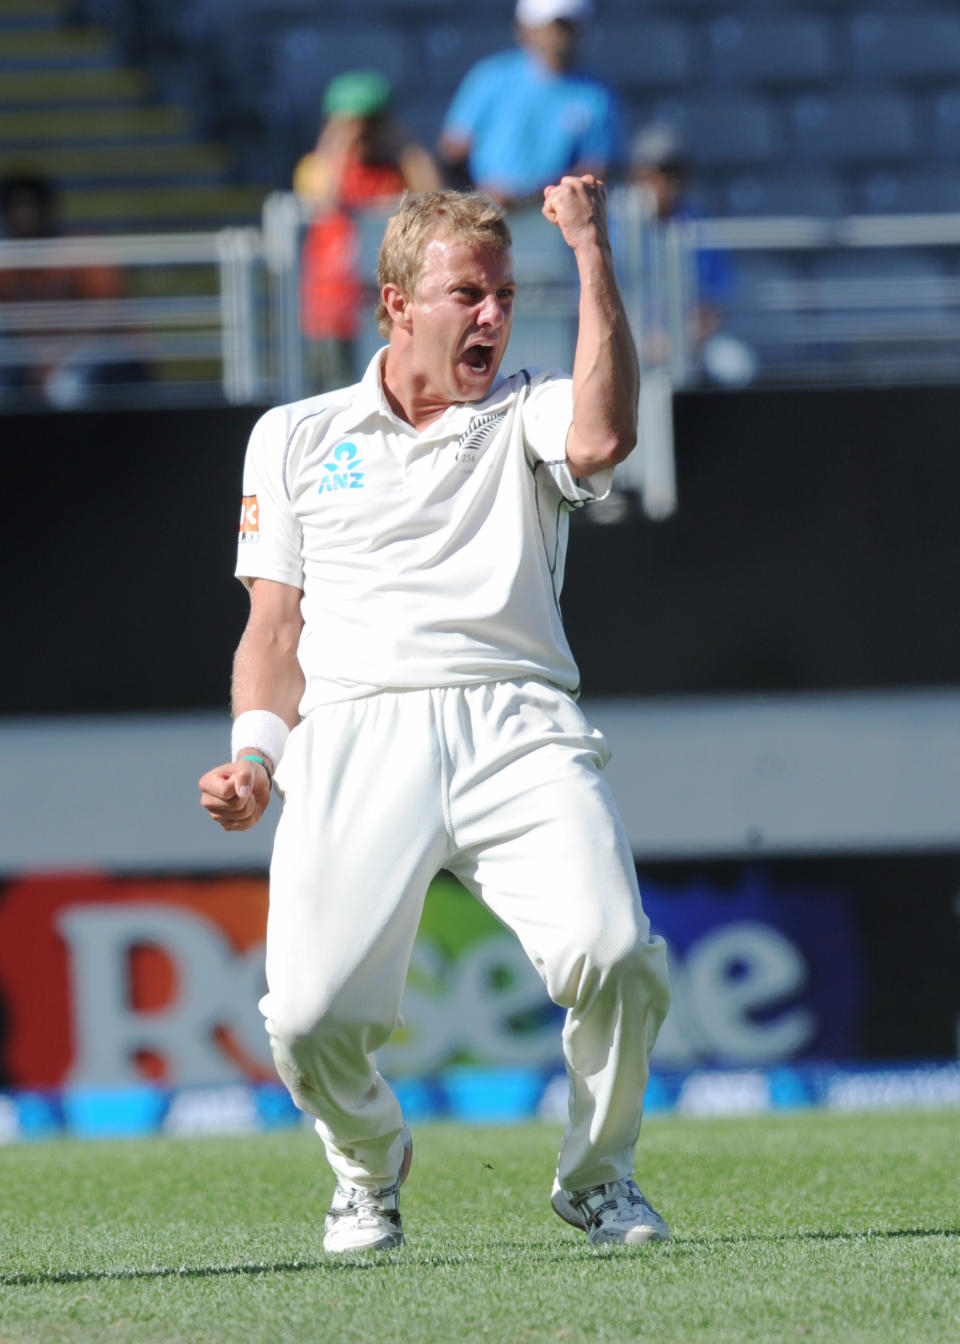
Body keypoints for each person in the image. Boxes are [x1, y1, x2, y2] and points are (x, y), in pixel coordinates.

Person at [198, 177, 670, 1254]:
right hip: (355, 731)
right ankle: (368, 1165)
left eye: (506, 294)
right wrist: (255, 757)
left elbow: (602, 440)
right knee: (309, 1018)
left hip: (519, 726)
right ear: (395, 305)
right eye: (470, 294)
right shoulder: (296, 434)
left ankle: (600, 1176)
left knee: (616, 952)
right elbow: (275, 632)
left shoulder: (531, 409)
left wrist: (592, 255)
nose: (495, 317)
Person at [294, 70, 441, 391]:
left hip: (382, 307)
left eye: (370, 126)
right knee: (336, 391)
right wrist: (339, 140)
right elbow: (324, 196)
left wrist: (402, 142)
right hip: (332, 307)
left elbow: (433, 197)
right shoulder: (317, 166)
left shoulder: (395, 170)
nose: (362, 136)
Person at [437, 0, 624, 208]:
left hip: (552, 219)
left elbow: (596, 170)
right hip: (486, 215)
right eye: (550, 25)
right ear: (526, 28)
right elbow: (452, 150)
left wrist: (527, 198)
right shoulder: (491, 77)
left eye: (566, 25)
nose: (557, 35)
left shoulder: (597, 95)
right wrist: (480, 194)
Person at [0, 172, 149, 407]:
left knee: (66, 389)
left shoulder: (81, 247)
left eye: (29, 206)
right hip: (37, 356)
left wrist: (55, 354)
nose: (23, 216)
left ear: (47, 209)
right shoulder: (7, 261)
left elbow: (106, 313)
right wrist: (40, 355)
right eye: (15, 208)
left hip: (104, 353)